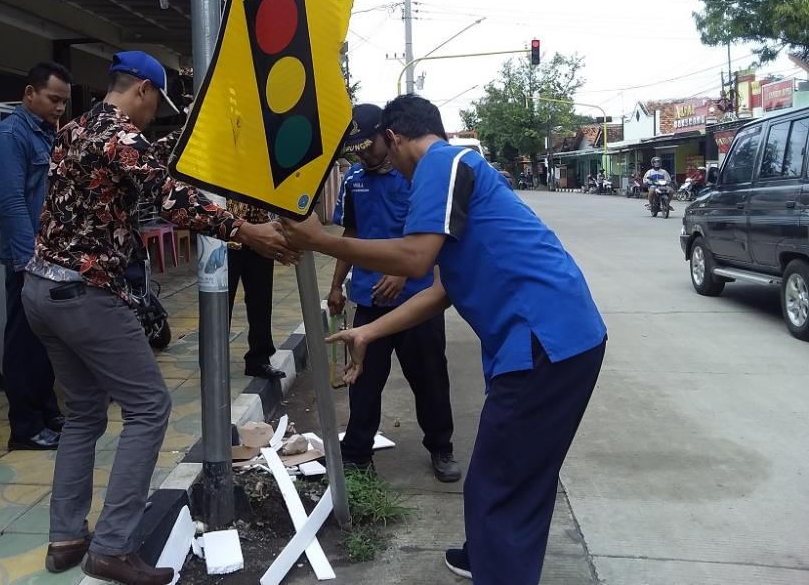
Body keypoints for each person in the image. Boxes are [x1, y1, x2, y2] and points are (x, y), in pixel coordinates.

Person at [283, 94, 606, 585]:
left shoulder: (443, 161)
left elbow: (414, 259)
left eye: (385, 153)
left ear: (393, 137)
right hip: (560, 337)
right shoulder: (459, 171)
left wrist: (321, 242)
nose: (388, 165)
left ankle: (499, 569)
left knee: (498, 483)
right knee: (518, 475)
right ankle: (489, 555)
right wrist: (369, 329)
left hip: (544, 341)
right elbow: (440, 289)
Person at [22, 51, 295, 585]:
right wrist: (247, 231)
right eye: (157, 104)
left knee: (83, 415)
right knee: (149, 407)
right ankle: (112, 547)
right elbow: (169, 196)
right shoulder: (120, 139)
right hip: (85, 295)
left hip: (40, 290)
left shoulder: (76, 130)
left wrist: (198, 128)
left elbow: (146, 162)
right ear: (143, 90)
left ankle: (66, 537)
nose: (154, 116)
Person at [329, 104, 459, 482]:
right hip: (370, 300)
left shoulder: (417, 175)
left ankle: (441, 447)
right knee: (363, 379)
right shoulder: (354, 181)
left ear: (388, 137)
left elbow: (433, 236)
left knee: (430, 378)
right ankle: (356, 454)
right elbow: (350, 236)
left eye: (368, 146)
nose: (363, 155)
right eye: (356, 150)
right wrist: (337, 284)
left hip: (418, 299)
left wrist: (403, 273)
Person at [0, 62, 71, 451]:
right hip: (29, 259)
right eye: (54, 99)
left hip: (53, 256)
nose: (60, 108)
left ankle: (47, 411)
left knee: (47, 341)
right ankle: (24, 427)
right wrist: (29, 262)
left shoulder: (49, 135)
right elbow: (11, 203)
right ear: (29, 94)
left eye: (64, 102)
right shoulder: (9, 137)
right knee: (23, 343)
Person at [226, 199, 287, 380]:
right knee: (219, 303)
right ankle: (212, 360)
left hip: (260, 234)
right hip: (222, 235)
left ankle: (259, 360)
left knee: (261, 300)